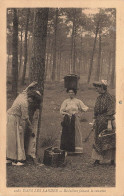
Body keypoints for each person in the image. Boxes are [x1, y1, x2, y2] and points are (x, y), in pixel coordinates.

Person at [6, 87, 41, 166]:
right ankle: (18, 159)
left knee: (12, 139)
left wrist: (29, 86)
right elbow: (25, 117)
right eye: (32, 100)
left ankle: (10, 158)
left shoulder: (22, 95)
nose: (31, 102)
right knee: (16, 138)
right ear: (31, 98)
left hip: (10, 117)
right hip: (13, 119)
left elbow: (24, 90)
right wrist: (30, 126)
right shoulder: (24, 103)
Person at [91, 80, 116, 166]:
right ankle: (97, 159)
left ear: (102, 87)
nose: (96, 89)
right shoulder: (98, 98)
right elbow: (96, 111)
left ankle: (112, 160)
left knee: (109, 139)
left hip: (107, 121)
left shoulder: (110, 97)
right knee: (98, 139)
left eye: (97, 87)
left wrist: (109, 123)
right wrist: (94, 121)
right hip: (99, 121)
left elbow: (111, 110)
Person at [60, 88, 89, 154]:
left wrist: (79, 114)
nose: (71, 94)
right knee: (66, 133)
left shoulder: (78, 101)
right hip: (67, 119)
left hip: (75, 119)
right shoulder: (65, 101)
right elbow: (61, 111)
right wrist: (66, 114)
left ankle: (76, 150)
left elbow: (85, 108)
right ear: (68, 93)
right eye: (69, 92)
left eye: (72, 92)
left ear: (75, 93)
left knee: (76, 132)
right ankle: (67, 149)